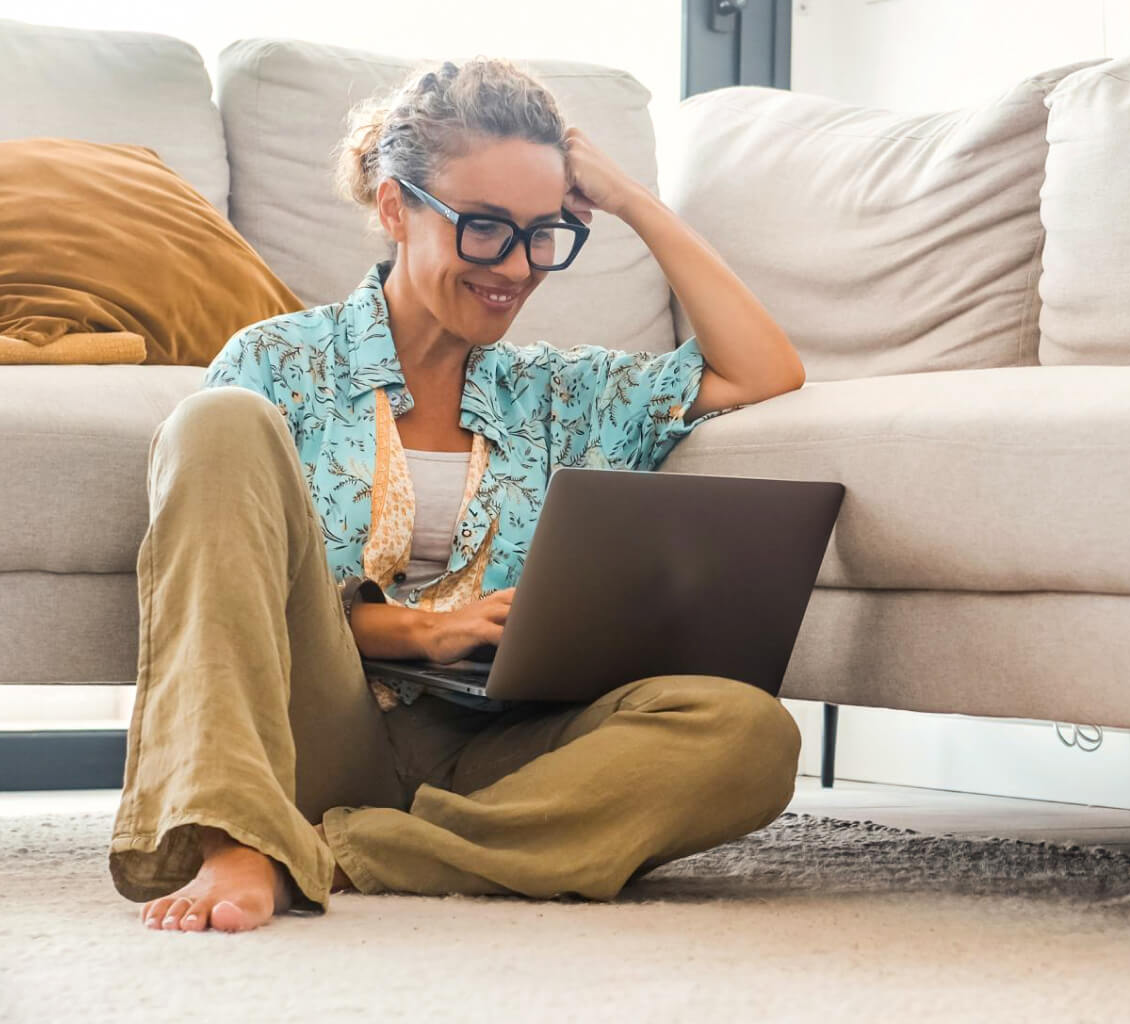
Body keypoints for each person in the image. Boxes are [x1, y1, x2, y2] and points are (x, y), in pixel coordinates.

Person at [108, 56, 807, 934]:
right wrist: (411, 629)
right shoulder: (275, 364)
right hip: (322, 726)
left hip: (494, 750)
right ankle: (238, 833)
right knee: (215, 423)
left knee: (748, 733)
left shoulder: (566, 391)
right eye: (483, 228)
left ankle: (336, 852)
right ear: (396, 207)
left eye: (541, 232)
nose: (514, 267)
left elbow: (763, 368)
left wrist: (633, 200)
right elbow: (234, 594)